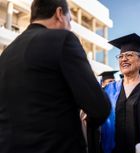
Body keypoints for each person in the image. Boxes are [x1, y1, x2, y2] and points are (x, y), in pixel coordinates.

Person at [0, 0, 111, 153]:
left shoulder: (6, 54)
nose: (70, 27)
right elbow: (99, 107)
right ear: (59, 14)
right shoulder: (63, 39)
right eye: (70, 20)